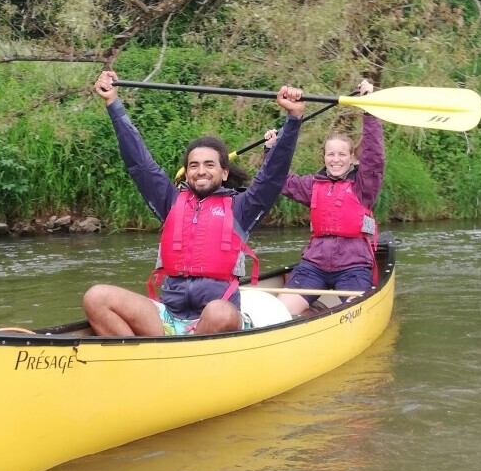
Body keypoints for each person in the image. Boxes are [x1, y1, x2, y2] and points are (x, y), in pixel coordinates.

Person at [83, 70, 306, 336]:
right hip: (168, 317)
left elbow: (273, 175)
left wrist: (292, 119)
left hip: (215, 320)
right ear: (186, 172)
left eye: (209, 165)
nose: (201, 171)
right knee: (96, 297)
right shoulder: (171, 202)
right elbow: (139, 164)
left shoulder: (242, 208)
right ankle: (140, 360)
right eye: (194, 165)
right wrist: (113, 104)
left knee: (219, 311)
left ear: (224, 173)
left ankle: (180, 356)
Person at [262, 79, 382, 316]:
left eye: (341, 154)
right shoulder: (313, 185)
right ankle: (311, 312)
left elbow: (374, 156)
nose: (335, 159)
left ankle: (322, 312)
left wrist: (368, 111)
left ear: (352, 159)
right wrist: (271, 150)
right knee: (281, 313)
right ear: (324, 158)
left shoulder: (364, 185)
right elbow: (278, 180)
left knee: (353, 315)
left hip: (353, 266)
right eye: (330, 154)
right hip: (314, 266)